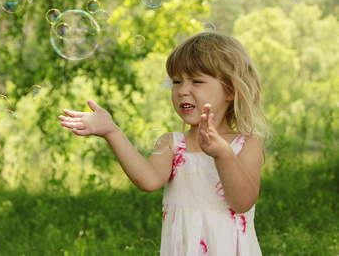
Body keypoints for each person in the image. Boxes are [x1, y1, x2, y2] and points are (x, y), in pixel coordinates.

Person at [58, 32, 268, 255]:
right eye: (177, 81)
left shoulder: (244, 145)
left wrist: (223, 155)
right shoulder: (173, 144)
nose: (182, 90)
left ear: (230, 90)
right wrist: (111, 131)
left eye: (196, 81)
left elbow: (242, 202)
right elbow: (147, 180)